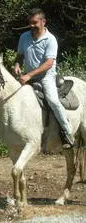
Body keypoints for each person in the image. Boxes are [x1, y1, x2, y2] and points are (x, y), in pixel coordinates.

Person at [12, 8, 73, 148]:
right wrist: (17, 65)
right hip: (28, 76)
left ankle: (67, 131)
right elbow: (20, 55)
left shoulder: (50, 39)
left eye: (34, 23)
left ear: (43, 22)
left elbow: (49, 63)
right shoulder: (24, 37)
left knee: (53, 100)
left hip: (46, 77)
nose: (31, 26)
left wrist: (29, 75)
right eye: (30, 23)